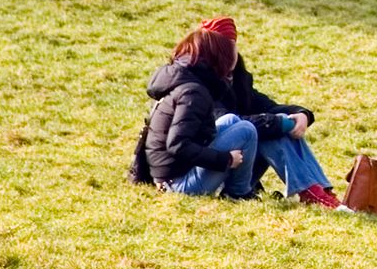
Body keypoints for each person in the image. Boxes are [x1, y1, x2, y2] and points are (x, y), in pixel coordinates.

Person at [131, 16, 346, 209]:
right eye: (229, 46)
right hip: (193, 172)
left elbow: (262, 106)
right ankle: (251, 192)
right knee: (259, 127)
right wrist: (228, 157)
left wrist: (301, 114)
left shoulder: (226, 78)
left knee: (270, 124)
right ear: (217, 50)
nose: (234, 53)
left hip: (207, 164)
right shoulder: (195, 88)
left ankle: (319, 190)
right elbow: (197, 136)